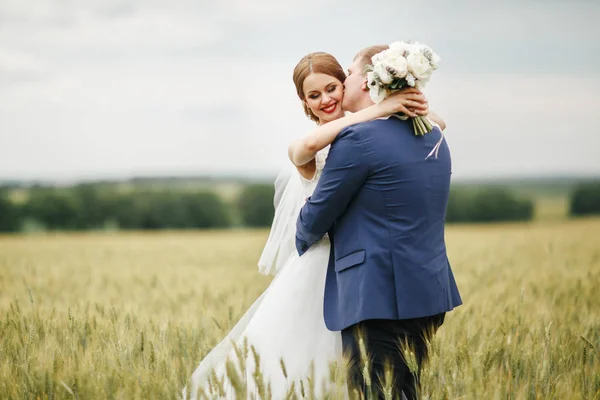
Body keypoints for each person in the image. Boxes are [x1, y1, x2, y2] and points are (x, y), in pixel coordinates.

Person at [182, 51, 446, 399]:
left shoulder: (369, 133)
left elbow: (438, 124)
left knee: (351, 370)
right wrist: (378, 109)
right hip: (319, 260)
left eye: (332, 87)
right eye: (314, 95)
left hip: (359, 263)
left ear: (347, 84)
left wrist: (398, 93)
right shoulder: (321, 140)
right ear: (304, 102)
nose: (326, 100)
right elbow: (303, 149)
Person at [295, 46, 462, 400]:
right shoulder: (434, 136)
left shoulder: (358, 140)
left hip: (378, 295)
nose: (344, 82)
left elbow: (314, 219)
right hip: (428, 291)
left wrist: (301, 231)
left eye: (350, 75)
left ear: (371, 82)